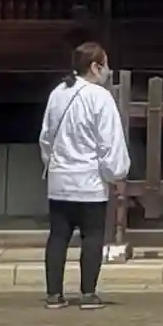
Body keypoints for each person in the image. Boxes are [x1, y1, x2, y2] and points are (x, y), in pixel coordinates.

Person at [40, 40, 129, 310]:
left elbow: (46, 138)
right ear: (94, 67)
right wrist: (116, 174)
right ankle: (88, 294)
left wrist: (52, 164)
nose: (109, 71)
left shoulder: (58, 93)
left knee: (58, 236)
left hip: (60, 179)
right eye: (106, 65)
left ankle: (54, 294)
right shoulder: (100, 97)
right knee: (92, 235)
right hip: (89, 180)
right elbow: (109, 142)